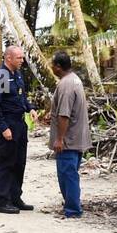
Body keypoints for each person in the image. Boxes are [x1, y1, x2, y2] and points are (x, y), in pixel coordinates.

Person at [0, 45, 32, 215]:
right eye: (19, 58)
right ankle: (3, 201)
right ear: (8, 58)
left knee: (19, 162)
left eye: (22, 57)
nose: (22, 60)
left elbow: (20, 97)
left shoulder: (17, 74)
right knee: (6, 163)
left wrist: (30, 108)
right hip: (8, 125)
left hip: (20, 124)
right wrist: (3, 127)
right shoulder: (2, 76)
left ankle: (15, 197)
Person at [49, 51, 91, 218]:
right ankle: (71, 205)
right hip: (77, 136)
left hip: (69, 139)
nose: (51, 67)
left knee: (67, 174)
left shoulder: (66, 85)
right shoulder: (75, 79)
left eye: (53, 64)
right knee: (71, 172)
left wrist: (60, 139)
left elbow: (64, 114)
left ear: (58, 67)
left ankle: (73, 209)